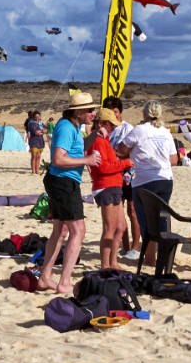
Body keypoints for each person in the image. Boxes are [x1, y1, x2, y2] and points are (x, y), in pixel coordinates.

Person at [35, 98, 98, 296]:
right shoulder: (66, 127)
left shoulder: (75, 127)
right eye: (90, 110)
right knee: (78, 230)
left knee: (61, 230)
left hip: (63, 181)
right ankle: (64, 281)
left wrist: (95, 135)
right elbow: (58, 158)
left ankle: (45, 277)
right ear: (77, 112)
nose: (93, 113)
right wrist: (87, 160)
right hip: (63, 182)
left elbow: (76, 148)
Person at [120, 100, 180, 254]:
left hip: (144, 180)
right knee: (163, 218)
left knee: (147, 221)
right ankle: (165, 256)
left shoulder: (139, 130)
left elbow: (120, 150)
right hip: (165, 179)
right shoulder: (166, 132)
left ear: (144, 114)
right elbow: (174, 160)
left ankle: (150, 258)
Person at [88, 105, 131, 271]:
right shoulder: (97, 141)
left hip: (114, 185)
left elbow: (108, 164)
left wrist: (121, 163)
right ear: (101, 124)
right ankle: (105, 265)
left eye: (113, 126)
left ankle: (112, 262)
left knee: (120, 227)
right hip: (105, 186)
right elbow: (103, 167)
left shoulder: (103, 140)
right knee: (110, 228)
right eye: (110, 125)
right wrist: (125, 163)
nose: (113, 128)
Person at [24, 111, 46, 175]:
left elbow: (46, 130)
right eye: (36, 117)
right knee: (34, 156)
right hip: (33, 141)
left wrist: (42, 131)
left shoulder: (41, 123)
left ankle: (37, 170)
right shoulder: (31, 123)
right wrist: (42, 131)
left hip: (40, 141)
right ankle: (33, 171)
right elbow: (35, 132)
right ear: (33, 117)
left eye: (38, 116)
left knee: (38, 156)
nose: (37, 118)